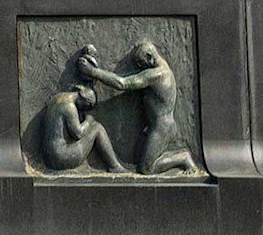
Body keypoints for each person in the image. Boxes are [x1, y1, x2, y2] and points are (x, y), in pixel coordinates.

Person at [81, 41, 197, 175]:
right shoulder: (161, 66)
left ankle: (183, 158)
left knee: (147, 168)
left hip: (162, 128)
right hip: (156, 125)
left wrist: (93, 71)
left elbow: (123, 83)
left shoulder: (157, 74)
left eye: (140, 63)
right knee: (147, 162)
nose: (139, 66)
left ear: (149, 57)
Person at [35, 81, 123, 174]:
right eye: (87, 106)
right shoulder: (69, 107)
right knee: (97, 128)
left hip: (49, 156)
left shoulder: (59, 98)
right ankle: (114, 166)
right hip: (61, 157)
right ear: (84, 101)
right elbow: (78, 134)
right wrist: (88, 120)